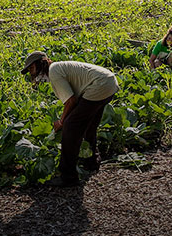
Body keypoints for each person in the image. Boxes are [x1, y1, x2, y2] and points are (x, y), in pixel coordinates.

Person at [22, 51, 119, 186]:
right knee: (89, 125)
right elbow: (74, 100)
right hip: (109, 83)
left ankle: (68, 176)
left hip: (99, 85)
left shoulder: (54, 71)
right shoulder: (58, 68)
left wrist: (61, 122)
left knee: (70, 127)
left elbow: (70, 101)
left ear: (41, 63)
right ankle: (91, 162)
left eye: (32, 68)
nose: (32, 73)